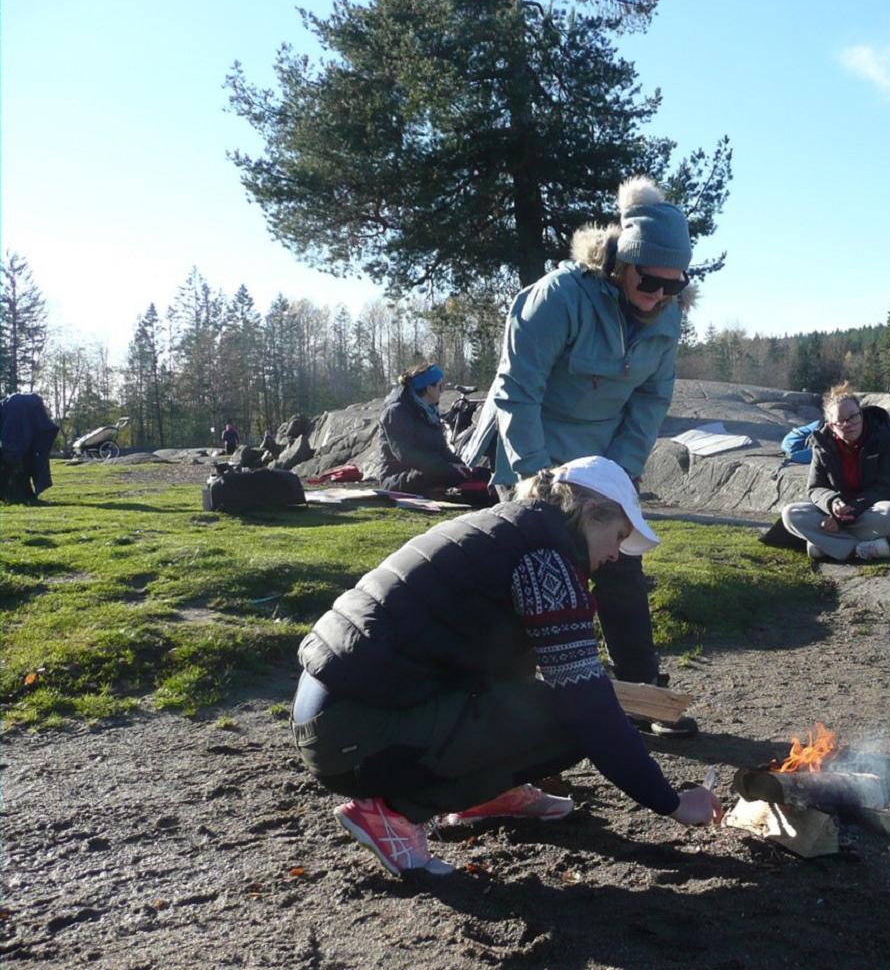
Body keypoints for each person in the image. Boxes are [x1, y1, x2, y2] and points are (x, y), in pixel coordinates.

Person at [290, 455, 723, 878]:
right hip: (356, 735)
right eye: (618, 535)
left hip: (330, 713)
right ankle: (393, 814)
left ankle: (486, 793)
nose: (616, 555)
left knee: (539, 693)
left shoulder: (509, 526)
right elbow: (589, 709)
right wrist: (673, 803)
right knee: (577, 717)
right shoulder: (547, 560)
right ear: (590, 513)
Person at [464, 177, 696, 734]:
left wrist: (617, 474)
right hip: (533, 451)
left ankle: (641, 697)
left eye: (674, 283)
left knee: (620, 569)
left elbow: (650, 398)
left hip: (602, 458)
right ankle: (511, 704)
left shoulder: (666, 315)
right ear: (623, 260)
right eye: (650, 278)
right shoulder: (558, 297)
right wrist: (536, 480)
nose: (660, 293)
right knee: (536, 574)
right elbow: (517, 391)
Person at [780, 382, 890, 562]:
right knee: (791, 513)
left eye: (853, 416)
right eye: (841, 421)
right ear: (831, 426)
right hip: (838, 510)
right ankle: (859, 549)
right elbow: (815, 488)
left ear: (861, 413)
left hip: (872, 509)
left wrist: (850, 512)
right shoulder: (822, 444)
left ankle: (827, 543)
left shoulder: (887, 437)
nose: (849, 423)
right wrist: (832, 504)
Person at [376, 363, 476, 498]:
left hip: (425, 470)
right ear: (429, 388)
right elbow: (405, 454)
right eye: (440, 386)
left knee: (474, 475)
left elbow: (442, 449)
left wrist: (460, 466)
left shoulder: (429, 410)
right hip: (397, 477)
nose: (443, 391)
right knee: (448, 475)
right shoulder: (396, 412)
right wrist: (447, 469)